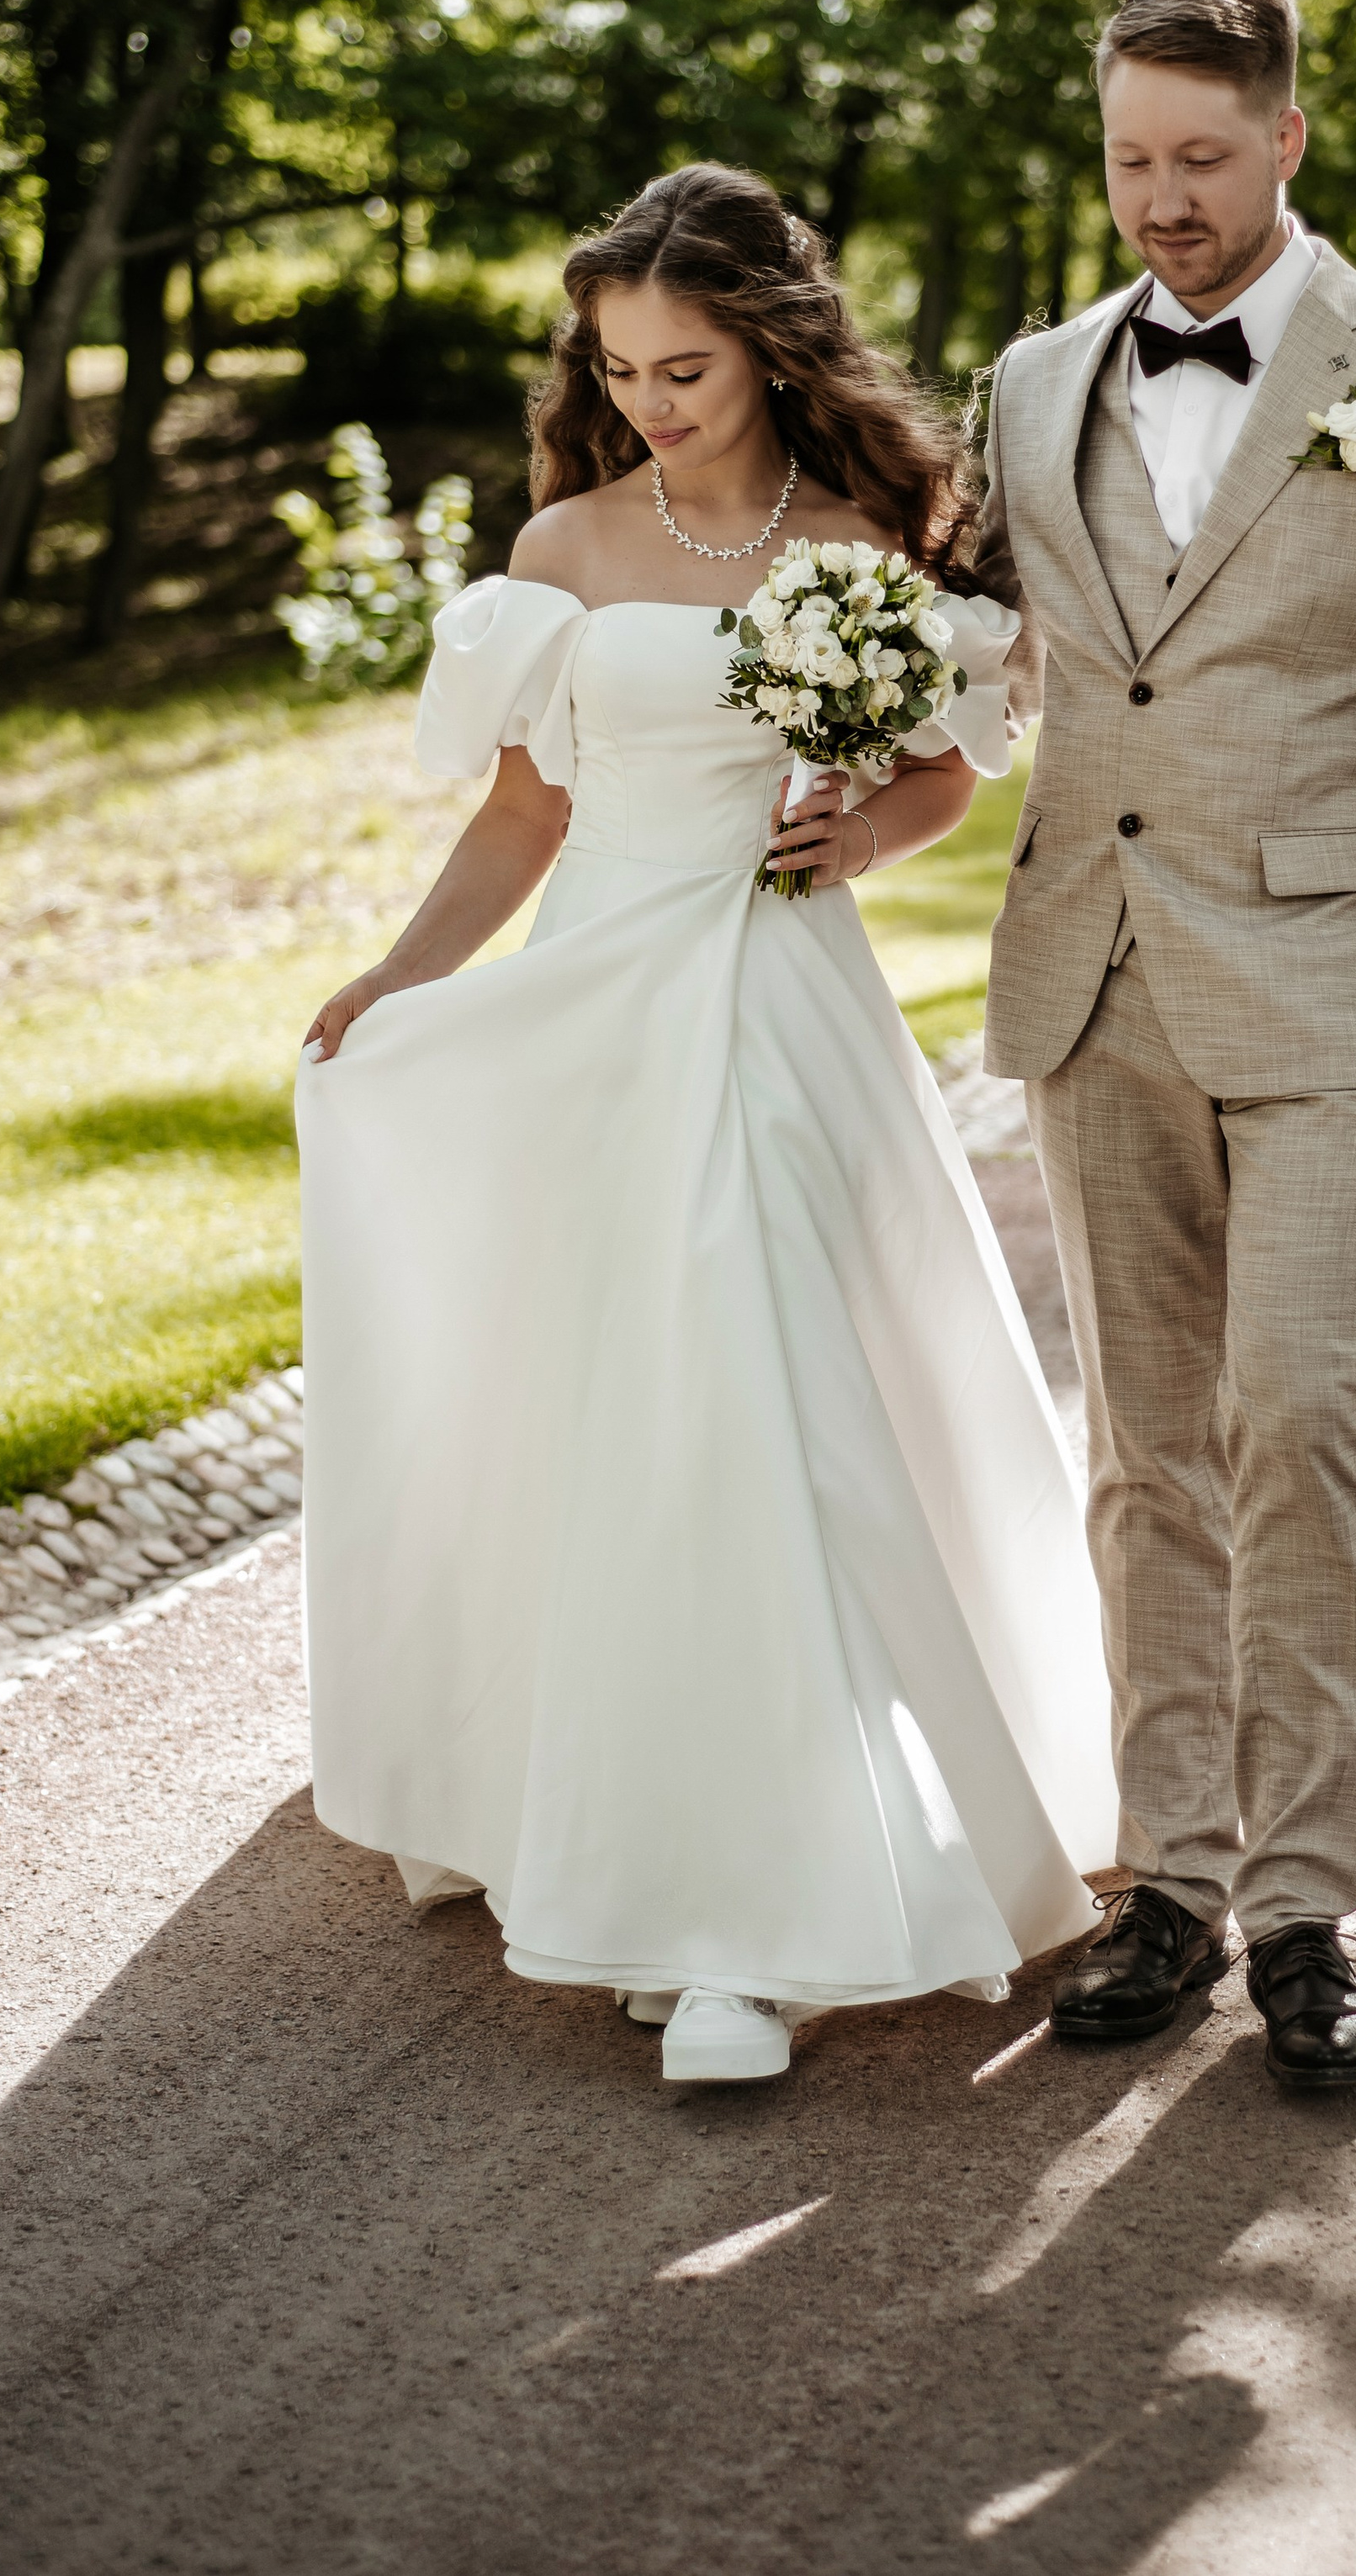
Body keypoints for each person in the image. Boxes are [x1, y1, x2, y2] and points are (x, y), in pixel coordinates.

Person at [294, 166, 1115, 2086]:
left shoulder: (869, 536)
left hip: (782, 1001)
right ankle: (627, 1823)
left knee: (780, 1390)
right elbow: (526, 812)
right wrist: (402, 975)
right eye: (619, 370)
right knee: (626, 1408)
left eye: (684, 367)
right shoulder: (565, 544)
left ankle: (757, 1916)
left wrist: (855, 831)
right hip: (603, 1000)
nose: (649, 402)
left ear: (770, 345)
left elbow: (937, 777)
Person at [973, 0, 1356, 2084]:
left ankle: (1305, 1907)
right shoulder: (1033, 382)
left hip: (1330, 999)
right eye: (1129, 157)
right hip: (1091, 981)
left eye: (1202, 158)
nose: (1162, 199)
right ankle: (1169, 1877)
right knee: (1142, 1453)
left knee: (1297, 1418)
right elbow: (996, 663)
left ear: (1287, 138)